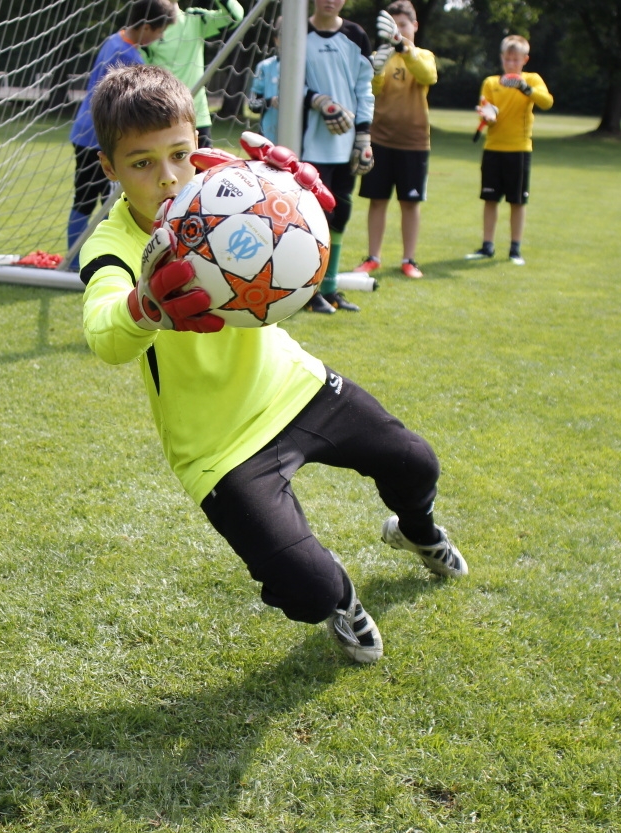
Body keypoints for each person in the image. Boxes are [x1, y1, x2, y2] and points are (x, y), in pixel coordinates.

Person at [80, 64, 467, 665]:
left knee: (415, 463)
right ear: (109, 168)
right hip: (217, 445)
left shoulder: (228, 183)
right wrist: (144, 306)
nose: (168, 177)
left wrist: (293, 203)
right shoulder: (113, 247)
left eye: (181, 153)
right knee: (306, 591)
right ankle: (340, 598)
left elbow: (282, 221)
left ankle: (417, 531)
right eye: (141, 163)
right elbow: (105, 334)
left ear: (198, 144)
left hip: (294, 386)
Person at [67, 0, 176, 266]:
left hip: (86, 133)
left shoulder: (113, 40)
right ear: (148, 26)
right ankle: (78, 262)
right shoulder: (129, 58)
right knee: (108, 202)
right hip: (102, 140)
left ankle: (87, 260)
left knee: (96, 200)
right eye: (160, 32)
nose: (160, 38)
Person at [352, 2, 437, 280]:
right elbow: (372, 91)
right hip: (380, 139)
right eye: (394, 25)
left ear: (414, 26)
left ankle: (408, 259)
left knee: (410, 203)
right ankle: (373, 257)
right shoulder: (380, 55)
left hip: (414, 141)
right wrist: (377, 68)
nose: (398, 30)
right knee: (377, 200)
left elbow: (428, 76)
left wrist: (404, 48)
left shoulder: (422, 55)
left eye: (403, 25)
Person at [301, 0, 375, 314]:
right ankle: (307, 291)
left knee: (340, 214)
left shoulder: (356, 35)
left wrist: (364, 135)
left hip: (346, 146)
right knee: (311, 219)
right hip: (306, 144)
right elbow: (278, 80)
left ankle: (329, 289)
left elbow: (364, 88)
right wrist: (317, 101)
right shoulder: (296, 32)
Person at [464, 34, 553, 266]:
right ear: (502, 58)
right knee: (490, 198)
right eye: (507, 59)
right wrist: (488, 116)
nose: (511, 64)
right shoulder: (491, 82)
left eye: (516, 60)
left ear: (525, 59)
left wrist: (525, 88)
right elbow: (488, 109)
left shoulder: (532, 80)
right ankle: (487, 246)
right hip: (493, 148)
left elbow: (547, 101)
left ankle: (515, 249)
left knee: (517, 201)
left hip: (519, 149)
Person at [143, 0, 244, 149]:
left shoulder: (195, 19)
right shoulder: (148, 28)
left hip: (197, 115)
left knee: (206, 171)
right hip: (162, 116)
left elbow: (234, 16)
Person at [247, 19, 281, 144]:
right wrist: (270, 101)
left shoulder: (306, 66)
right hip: (268, 138)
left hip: (300, 139)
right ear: (276, 39)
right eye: (283, 36)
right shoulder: (264, 67)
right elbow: (252, 104)